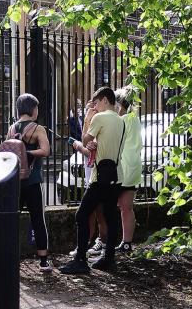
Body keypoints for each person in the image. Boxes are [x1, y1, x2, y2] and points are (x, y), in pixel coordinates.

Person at [59, 86, 125, 274]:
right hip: (116, 175)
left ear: (104, 100)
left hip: (99, 177)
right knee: (111, 216)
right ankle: (109, 258)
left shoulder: (99, 118)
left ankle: (80, 260)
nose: (94, 106)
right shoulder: (121, 122)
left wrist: (88, 118)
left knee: (81, 215)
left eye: (96, 103)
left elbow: (85, 138)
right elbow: (102, 143)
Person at [10, 93, 52, 271]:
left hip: (15, 182)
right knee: (38, 219)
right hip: (32, 181)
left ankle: (11, 258)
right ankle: (43, 260)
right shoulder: (38, 129)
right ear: (33, 109)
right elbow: (46, 151)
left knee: (12, 219)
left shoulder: (12, 129)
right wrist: (30, 153)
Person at [115, 90, 142, 253]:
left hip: (121, 166)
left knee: (110, 206)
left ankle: (105, 242)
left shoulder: (120, 120)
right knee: (127, 207)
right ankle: (127, 242)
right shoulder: (135, 119)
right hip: (133, 165)